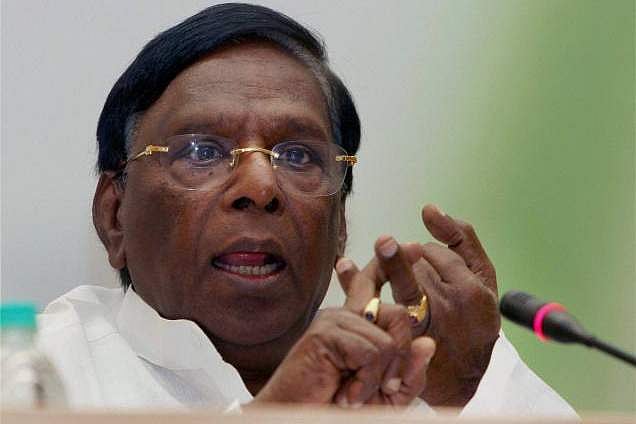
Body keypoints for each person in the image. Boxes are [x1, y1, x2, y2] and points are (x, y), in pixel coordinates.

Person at [37, 3, 575, 416]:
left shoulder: (409, 380)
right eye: (202, 151)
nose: (260, 186)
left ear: (340, 226)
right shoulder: (37, 375)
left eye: (297, 155)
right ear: (114, 216)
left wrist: (465, 389)